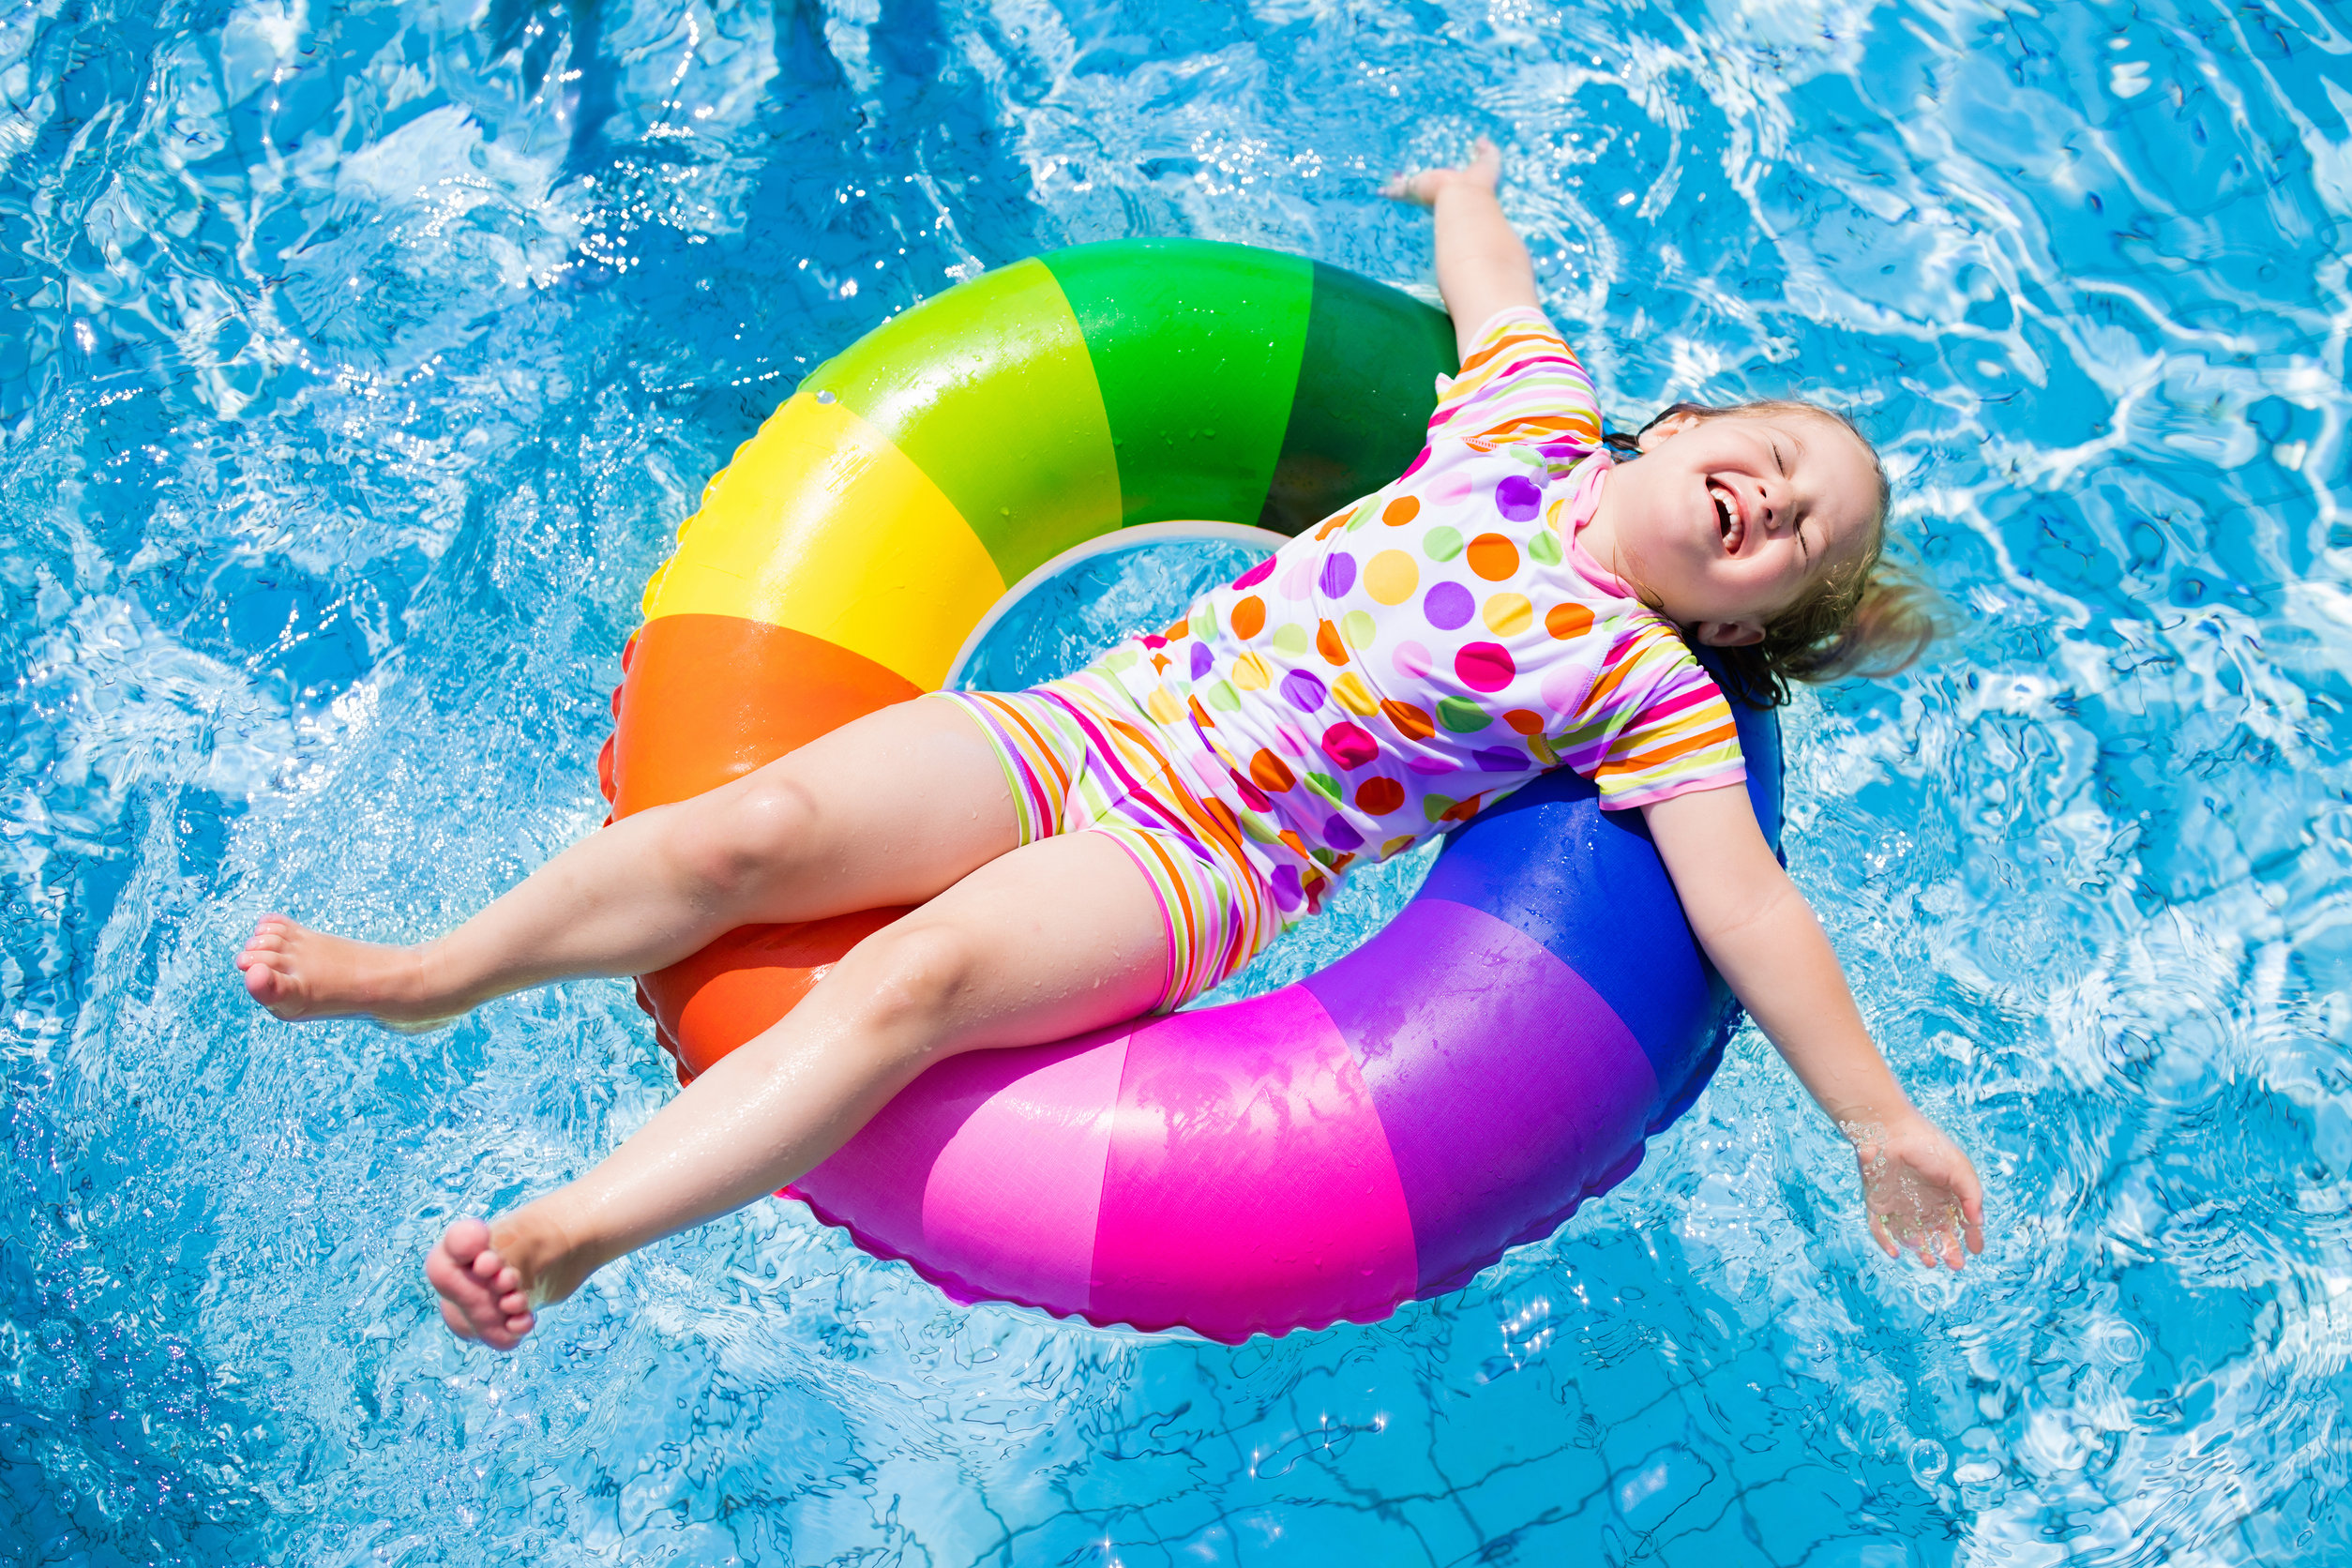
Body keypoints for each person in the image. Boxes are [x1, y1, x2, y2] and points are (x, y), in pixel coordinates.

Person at [237, 140, 1986, 1351]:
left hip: (1186, 863)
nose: (1773, 501)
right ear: (1678, 425)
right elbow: (1496, 288)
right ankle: (438, 974)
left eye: (1801, 539)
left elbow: (1747, 911)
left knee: (908, 990)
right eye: (1770, 455)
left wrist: (1879, 1121)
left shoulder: (1650, 688)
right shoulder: (1523, 420)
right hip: (1080, 729)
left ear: (1748, 622)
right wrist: (1469, 196)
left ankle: (571, 1233)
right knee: (740, 834)